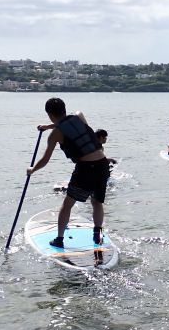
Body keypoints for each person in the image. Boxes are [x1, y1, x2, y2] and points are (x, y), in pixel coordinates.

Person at [26, 97, 110, 248]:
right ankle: (97, 233)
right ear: (65, 109)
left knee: (67, 204)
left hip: (86, 168)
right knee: (97, 202)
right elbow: (68, 123)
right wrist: (47, 126)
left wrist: (32, 170)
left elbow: (45, 160)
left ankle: (59, 239)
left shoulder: (55, 135)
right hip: (103, 164)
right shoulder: (79, 116)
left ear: (50, 114)